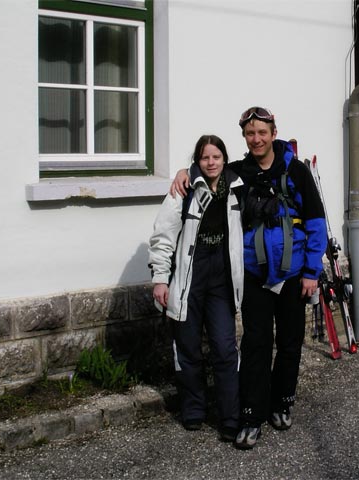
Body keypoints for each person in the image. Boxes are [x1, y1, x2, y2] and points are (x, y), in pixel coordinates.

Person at [171, 107, 327, 449]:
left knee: (289, 343)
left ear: (273, 133)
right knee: (255, 345)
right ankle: (252, 414)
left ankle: (282, 401)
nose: (256, 139)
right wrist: (184, 171)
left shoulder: (296, 172)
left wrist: (313, 273)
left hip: (293, 273)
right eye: (249, 133)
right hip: (255, 274)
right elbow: (208, 170)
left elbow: (316, 224)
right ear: (245, 137)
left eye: (262, 132)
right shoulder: (237, 173)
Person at [149, 134, 244, 442]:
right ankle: (194, 410)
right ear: (197, 161)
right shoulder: (185, 189)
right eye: (205, 158)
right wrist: (160, 279)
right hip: (189, 278)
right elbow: (163, 235)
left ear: (224, 159)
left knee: (224, 348)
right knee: (188, 348)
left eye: (216, 157)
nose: (211, 162)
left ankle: (230, 415)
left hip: (222, 280)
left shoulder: (237, 189)